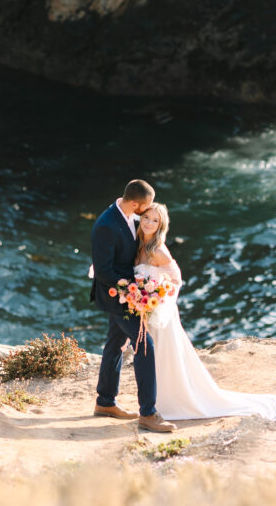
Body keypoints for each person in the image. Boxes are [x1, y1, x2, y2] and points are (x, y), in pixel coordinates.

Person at [135, 202, 276, 422]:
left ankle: (169, 402)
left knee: (165, 356)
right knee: (151, 357)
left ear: (161, 225)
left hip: (161, 313)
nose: (149, 223)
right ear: (140, 218)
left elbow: (176, 279)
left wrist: (158, 300)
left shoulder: (158, 250)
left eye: (155, 221)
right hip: (145, 313)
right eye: (147, 218)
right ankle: (152, 401)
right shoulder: (137, 246)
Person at [90, 179, 177, 433]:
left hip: (128, 294)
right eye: (147, 207)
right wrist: (135, 292)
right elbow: (104, 271)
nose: (148, 213)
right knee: (144, 346)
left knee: (115, 344)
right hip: (118, 297)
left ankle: (105, 402)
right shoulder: (106, 225)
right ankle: (148, 414)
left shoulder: (128, 216)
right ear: (136, 204)